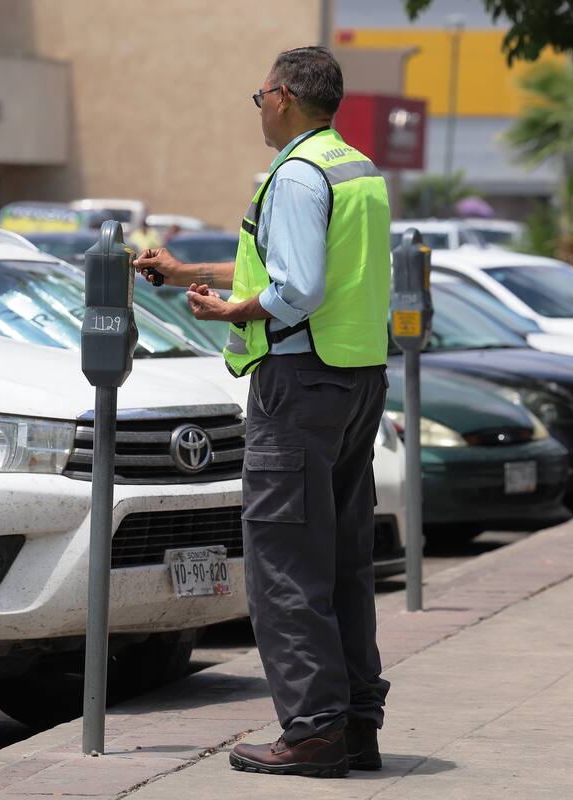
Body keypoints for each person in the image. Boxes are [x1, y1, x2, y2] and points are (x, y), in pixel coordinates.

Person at [134, 46, 391, 778]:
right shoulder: (356, 170)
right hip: (353, 383)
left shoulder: (298, 175)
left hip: (298, 386)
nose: (259, 111)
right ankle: (355, 724)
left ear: (281, 96)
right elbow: (301, 269)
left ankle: (312, 732)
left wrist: (230, 311)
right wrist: (189, 273)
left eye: (259, 98)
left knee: (283, 563)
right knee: (341, 562)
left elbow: (296, 287)